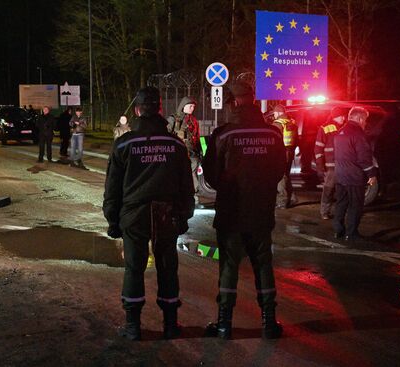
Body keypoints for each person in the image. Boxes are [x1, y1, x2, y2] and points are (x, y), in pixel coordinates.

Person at [103, 86, 195, 341]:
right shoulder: (175, 144)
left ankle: (133, 327)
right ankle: (170, 325)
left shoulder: (124, 144)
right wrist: (185, 215)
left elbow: (113, 186)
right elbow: (186, 185)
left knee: (134, 268)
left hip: (134, 215)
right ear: (160, 109)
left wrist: (113, 219)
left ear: (137, 111)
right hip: (167, 213)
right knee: (167, 268)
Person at [202, 82, 287, 340]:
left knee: (229, 266)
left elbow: (212, 175)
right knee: (263, 264)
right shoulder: (273, 134)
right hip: (261, 211)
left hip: (231, 211)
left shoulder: (224, 134)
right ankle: (269, 323)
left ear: (235, 102)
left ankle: (224, 324)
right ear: (251, 100)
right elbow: (278, 170)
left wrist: (228, 187)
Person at [333, 106, 377, 241]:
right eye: (365, 120)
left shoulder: (340, 132)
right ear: (359, 118)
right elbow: (364, 157)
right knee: (355, 205)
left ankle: (338, 230)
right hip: (354, 176)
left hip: (340, 175)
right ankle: (351, 234)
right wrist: (371, 174)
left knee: (341, 204)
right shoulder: (358, 134)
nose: (365, 123)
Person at [315, 106, 349, 220]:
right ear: (335, 116)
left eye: (344, 116)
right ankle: (325, 211)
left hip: (344, 165)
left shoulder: (346, 127)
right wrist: (320, 167)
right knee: (328, 190)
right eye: (341, 116)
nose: (343, 118)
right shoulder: (325, 128)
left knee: (342, 190)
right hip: (331, 166)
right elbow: (318, 148)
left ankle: (341, 211)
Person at [167, 97, 202, 206]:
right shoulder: (173, 119)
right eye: (190, 106)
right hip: (177, 154)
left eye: (193, 107)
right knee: (177, 177)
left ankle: (193, 197)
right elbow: (167, 135)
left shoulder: (194, 121)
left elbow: (197, 137)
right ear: (183, 106)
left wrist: (199, 152)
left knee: (192, 177)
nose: (192, 108)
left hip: (192, 154)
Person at [272, 104, 299, 208]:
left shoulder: (277, 124)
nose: (274, 115)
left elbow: (274, 141)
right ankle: (292, 198)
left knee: (281, 177)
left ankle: (282, 201)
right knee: (286, 175)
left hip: (281, 154)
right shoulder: (291, 123)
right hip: (290, 153)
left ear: (278, 113)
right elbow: (296, 140)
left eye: (274, 113)